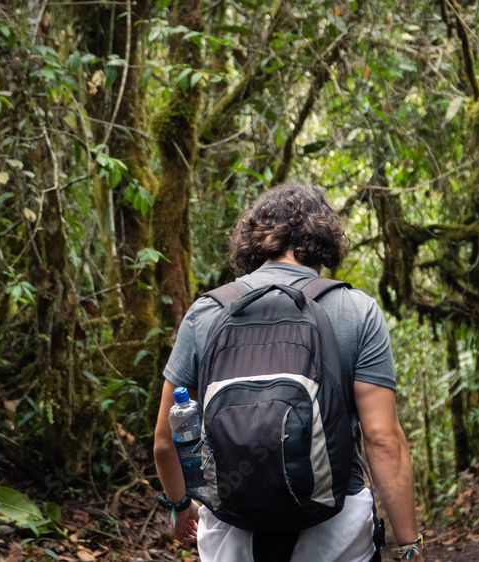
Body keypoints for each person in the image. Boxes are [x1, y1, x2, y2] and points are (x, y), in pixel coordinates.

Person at [153, 183, 424, 561]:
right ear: (324, 237)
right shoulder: (356, 310)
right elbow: (382, 441)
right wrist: (409, 544)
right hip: (335, 529)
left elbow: (166, 440)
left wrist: (182, 506)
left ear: (252, 240)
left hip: (231, 530)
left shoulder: (206, 313)